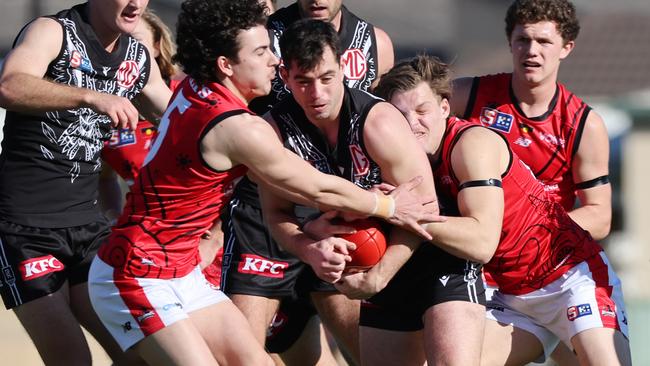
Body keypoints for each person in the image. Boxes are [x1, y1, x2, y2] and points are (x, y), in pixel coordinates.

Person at [87, 1, 434, 364]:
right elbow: (317, 187)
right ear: (226, 65)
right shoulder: (240, 128)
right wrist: (389, 206)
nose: (274, 60)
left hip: (180, 270)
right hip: (136, 272)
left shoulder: (195, 86)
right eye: (261, 51)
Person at [371, 54, 630, 366]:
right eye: (401, 115)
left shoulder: (471, 144)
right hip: (506, 294)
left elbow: (482, 243)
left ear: (443, 107)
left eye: (422, 110)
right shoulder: (400, 159)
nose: (413, 123)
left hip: (568, 278)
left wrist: (401, 213)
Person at [253, 19, 439, 366]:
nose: (317, 94)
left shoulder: (378, 122)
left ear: (342, 69)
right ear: (284, 76)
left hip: (387, 252)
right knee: (246, 353)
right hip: (305, 248)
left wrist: (379, 275)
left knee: (367, 356)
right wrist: (309, 248)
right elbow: (275, 214)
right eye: (303, 82)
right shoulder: (273, 131)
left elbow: (426, 208)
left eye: (326, 78)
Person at [221, 0, 396, 363]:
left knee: (375, 355)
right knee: (238, 355)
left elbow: (380, 125)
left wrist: (376, 196)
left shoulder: (374, 42)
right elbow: (229, 111)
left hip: (344, 213)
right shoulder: (263, 34)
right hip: (265, 208)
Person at [0, 0, 171, 364]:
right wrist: (90, 96)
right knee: (73, 360)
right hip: (25, 229)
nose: (136, 2)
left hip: (89, 228)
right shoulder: (54, 32)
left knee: (140, 356)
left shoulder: (138, 56)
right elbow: (10, 85)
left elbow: (179, 118)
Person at [451, 1, 612, 363]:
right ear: (510, 42)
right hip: (492, 284)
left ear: (566, 48)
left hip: (562, 279)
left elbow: (600, 217)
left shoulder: (583, 124)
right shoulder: (467, 97)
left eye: (543, 41)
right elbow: (411, 114)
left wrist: (525, 230)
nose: (532, 51)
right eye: (523, 40)